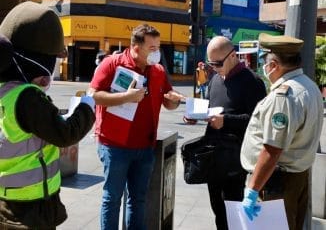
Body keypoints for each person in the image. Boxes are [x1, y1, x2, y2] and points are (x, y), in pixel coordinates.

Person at [0, 1, 96, 229]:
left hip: (7, 202)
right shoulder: (27, 98)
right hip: (30, 209)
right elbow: (65, 134)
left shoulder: (5, 91)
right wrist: (87, 107)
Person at [88, 23, 184, 230]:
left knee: (138, 199)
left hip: (145, 146)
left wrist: (174, 100)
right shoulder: (112, 64)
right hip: (114, 145)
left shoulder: (157, 71)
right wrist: (126, 97)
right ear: (136, 47)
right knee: (112, 198)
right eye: (152, 48)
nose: (156, 52)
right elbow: (94, 95)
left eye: (158, 47)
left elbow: (168, 101)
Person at [241, 33, 324, 230]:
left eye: (264, 61)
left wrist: (252, 190)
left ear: (274, 65)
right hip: (296, 178)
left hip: (276, 183)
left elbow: (272, 149)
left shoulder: (283, 96)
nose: (264, 67)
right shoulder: (309, 86)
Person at [185, 36, 266, 229]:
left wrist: (226, 121)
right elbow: (212, 109)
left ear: (232, 56)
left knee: (234, 214)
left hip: (235, 161)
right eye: (211, 63)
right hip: (214, 158)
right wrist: (196, 115)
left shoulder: (252, 82)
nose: (214, 68)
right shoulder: (215, 79)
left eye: (218, 63)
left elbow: (258, 123)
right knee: (219, 212)